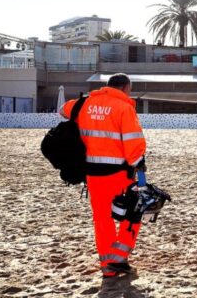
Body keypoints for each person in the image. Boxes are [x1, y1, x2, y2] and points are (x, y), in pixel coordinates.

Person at [60, 73, 147, 278]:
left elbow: (63, 110)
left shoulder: (84, 104)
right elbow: (132, 142)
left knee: (102, 218)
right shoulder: (124, 107)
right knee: (133, 211)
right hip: (118, 173)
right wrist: (140, 165)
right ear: (125, 88)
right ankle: (119, 257)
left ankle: (108, 266)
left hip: (92, 173)